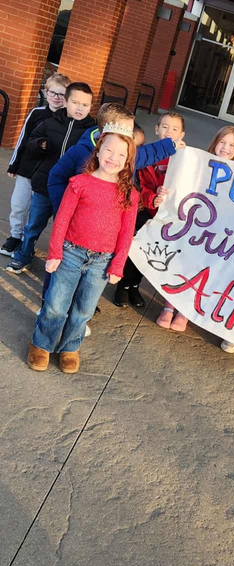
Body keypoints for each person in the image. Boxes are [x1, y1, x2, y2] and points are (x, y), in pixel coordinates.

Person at [27, 121, 139, 375]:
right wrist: (55, 252)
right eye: (109, 150)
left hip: (102, 261)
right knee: (56, 303)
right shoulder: (79, 183)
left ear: (128, 161)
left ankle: (70, 347)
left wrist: (117, 265)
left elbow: (126, 233)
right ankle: (42, 343)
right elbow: (62, 219)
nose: (113, 158)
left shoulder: (130, 194)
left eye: (121, 154)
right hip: (70, 253)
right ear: (98, 151)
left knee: (84, 309)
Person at [156, 124, 234, 335]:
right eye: (222, 142)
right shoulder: (199, 162)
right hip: (192, 221)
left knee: (200, 269)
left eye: (231, 145)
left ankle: (184, 311)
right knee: (180, 264)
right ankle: (169, 306)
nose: (225, 148)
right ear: (215, 142)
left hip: (216, 230)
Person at [6, 83, 95, 274]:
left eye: (85, 105)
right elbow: (31, 142)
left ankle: (61, 263)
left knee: (66, 230)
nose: (80, 108)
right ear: (66, 101)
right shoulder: (50, 123)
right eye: (75, 102)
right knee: (33, 224)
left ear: (91, 106)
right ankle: (24, 255)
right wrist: (39, 144)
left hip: (72, 190)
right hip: (44, 184)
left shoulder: (93, 131)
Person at [47, 105, 183, 216]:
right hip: (82, 217)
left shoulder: (127, 152)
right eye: (126, 131)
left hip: (113, 218)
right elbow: (56, 177)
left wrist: (171, 145)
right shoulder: (80, 151)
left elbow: (147, 153)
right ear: (107, 130)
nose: (130, 136)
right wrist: (63, 210)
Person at [114, 111, 186, 309]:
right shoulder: (147, 155)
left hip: (170, 218)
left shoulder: (186, 159)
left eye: (175, 129)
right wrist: (153, 198)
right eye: (164, 127)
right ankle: (123, 285)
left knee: (151, 255)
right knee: (135, 250)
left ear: (181, 134)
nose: (169, 132)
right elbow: (140, 186)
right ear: (156, 129)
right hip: (146, 211)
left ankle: (134, 286)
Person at [1, 73, 71, 257]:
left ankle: (26, 242)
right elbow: (23, 138)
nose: (56, 97)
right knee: (18, 205)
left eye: (61, 94)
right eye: (52, 92)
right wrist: (14, 164)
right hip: (27, 170)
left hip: (47, 173)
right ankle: (15, 236)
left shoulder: (68, 119)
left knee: (36, 210)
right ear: (46, 92)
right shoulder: (37, 113)